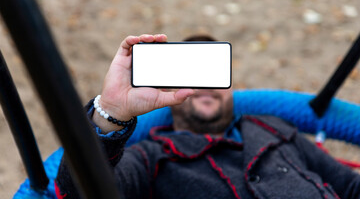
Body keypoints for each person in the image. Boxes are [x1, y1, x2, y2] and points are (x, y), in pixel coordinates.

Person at [55, 34, 360, 199]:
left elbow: (349, 188)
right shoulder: (150, 157)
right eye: (190, 74)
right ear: (170, 89)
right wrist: (112, 110)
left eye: (212, 72)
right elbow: (81, 192)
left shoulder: (275, 127)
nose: (203, 85)